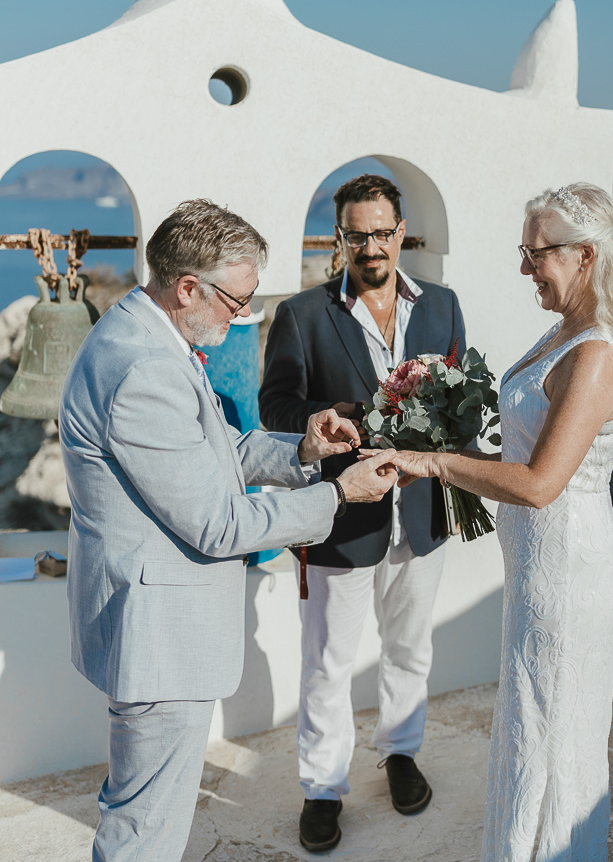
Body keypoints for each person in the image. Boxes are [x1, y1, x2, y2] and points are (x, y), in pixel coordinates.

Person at [59, 199, 397, 862]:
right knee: (143, 834)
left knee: (139, 811)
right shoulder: (146, 370)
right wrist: (337, 493)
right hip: (160, 639)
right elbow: (218, 523)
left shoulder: (148, 335)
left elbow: (217, 450)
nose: (242, 315)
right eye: (236, 301)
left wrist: (303, 449)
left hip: (153, 625)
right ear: (188, 287)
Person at [383, 183, 613, 860]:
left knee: (553, 741)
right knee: (529, 730)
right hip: (537, 568)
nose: (522, 268)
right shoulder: (562, 330)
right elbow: (521, 455)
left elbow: (539, 485)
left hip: (567, 575)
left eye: (534, 253)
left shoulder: (594, 355)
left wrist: (439, 465)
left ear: (584, 256)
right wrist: (436, 441)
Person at [259, 174, 466, 851]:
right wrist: (333, 415)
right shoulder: (302, 315)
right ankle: (322, 789)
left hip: (421, 511)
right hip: (341, 515)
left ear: (400, 232)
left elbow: (461, 397)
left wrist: (453, 466)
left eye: (381, 232)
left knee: (409, 647)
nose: (370, 245)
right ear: (339, 237)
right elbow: (276, 406)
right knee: (327, 660)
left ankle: (400, 754)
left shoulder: (441, 305)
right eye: (356, 233)